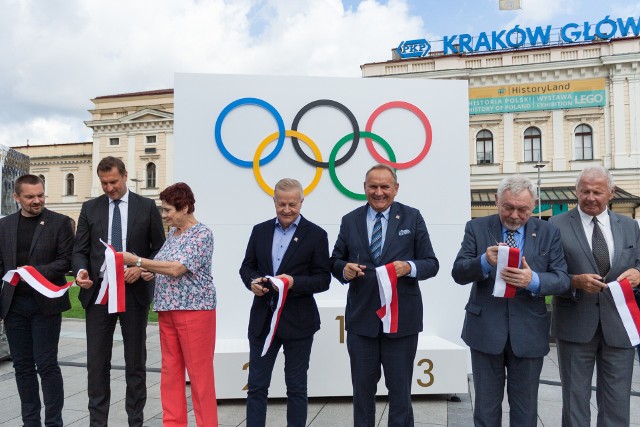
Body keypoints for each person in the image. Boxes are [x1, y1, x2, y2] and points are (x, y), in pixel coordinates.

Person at [451, 174, 570, 427]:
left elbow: (562, 279)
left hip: (529, 333)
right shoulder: (477, 228)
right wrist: (483, 261)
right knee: (485, 410)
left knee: (526, 412)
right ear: (497, 201)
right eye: (508, 207)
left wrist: (533, 280)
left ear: (534, 206)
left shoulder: (549, 232)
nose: (515, 215)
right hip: (485, 331)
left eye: (523, 209)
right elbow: (458, 272)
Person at [330, 164, 439, 427]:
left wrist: (409, 267)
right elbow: (334, 261)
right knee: (362, 393)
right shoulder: (350, 220)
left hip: (401, 322)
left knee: (400, 393)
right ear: (364, 188)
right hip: (361, 322)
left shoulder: (412, 218)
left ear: (396, 188)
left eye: (385, 187)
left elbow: (431, 263)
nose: (379, 192)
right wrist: (344, 269)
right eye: (373, 187)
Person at [72, 156, 165, 426]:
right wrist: (80, 272)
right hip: (98, 294)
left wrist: (143, 267)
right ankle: (97, 422)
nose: (109, 188)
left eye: (113, 181)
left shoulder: (147, 207)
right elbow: (80, 250)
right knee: (97, 364)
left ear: (125, 175)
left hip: (134, 294)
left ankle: (135, 420)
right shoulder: (90, 208)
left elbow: (159, 249)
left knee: (136, 363)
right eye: (104, 183)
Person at [549, 165, 640, 426]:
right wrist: (573, 282)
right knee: (575, 401)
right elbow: (547, 275)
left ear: (610, 193)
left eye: (597, 192)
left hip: (620, 326)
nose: (590, 197)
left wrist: (638, 273)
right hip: (575, 324)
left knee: (617, 402)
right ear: (575, 192)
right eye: (584, 191)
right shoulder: (555, 225)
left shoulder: (630, 225)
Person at [122, 182, 218, 426]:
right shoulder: (174, 234)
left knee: (199, 377)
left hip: (195, 311)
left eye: (168, 210)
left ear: (184, 207)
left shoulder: (202, 234)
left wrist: (139, 262)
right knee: (171, 374)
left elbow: (177, 268)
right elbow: (165, 265)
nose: (164, 215)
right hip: (167, 310)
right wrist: (150, 272)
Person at [239, 178, 331, 427]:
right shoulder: (260, 230)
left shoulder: (316, 235)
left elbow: (323, 279)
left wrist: (293, 282)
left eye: (292, 204)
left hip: (299, 323)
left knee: (297, 387)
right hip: (262, 322)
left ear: (302, 202)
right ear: (274, 202)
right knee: (257, 385)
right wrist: (252, 282)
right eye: (282, 204)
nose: (287, 209)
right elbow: (247, 266)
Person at [0, 174, 74, 427]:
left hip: (46, 305)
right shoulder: (4, 226)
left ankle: (54, 422)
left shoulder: (60, 223)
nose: (37, 201)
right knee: (22, 367)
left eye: (40, 195)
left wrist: (33, 272)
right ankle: (30, 422)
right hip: (14, 307)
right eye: (30, 197)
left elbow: (66, 261)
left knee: (46, 365)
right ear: (16, 197)